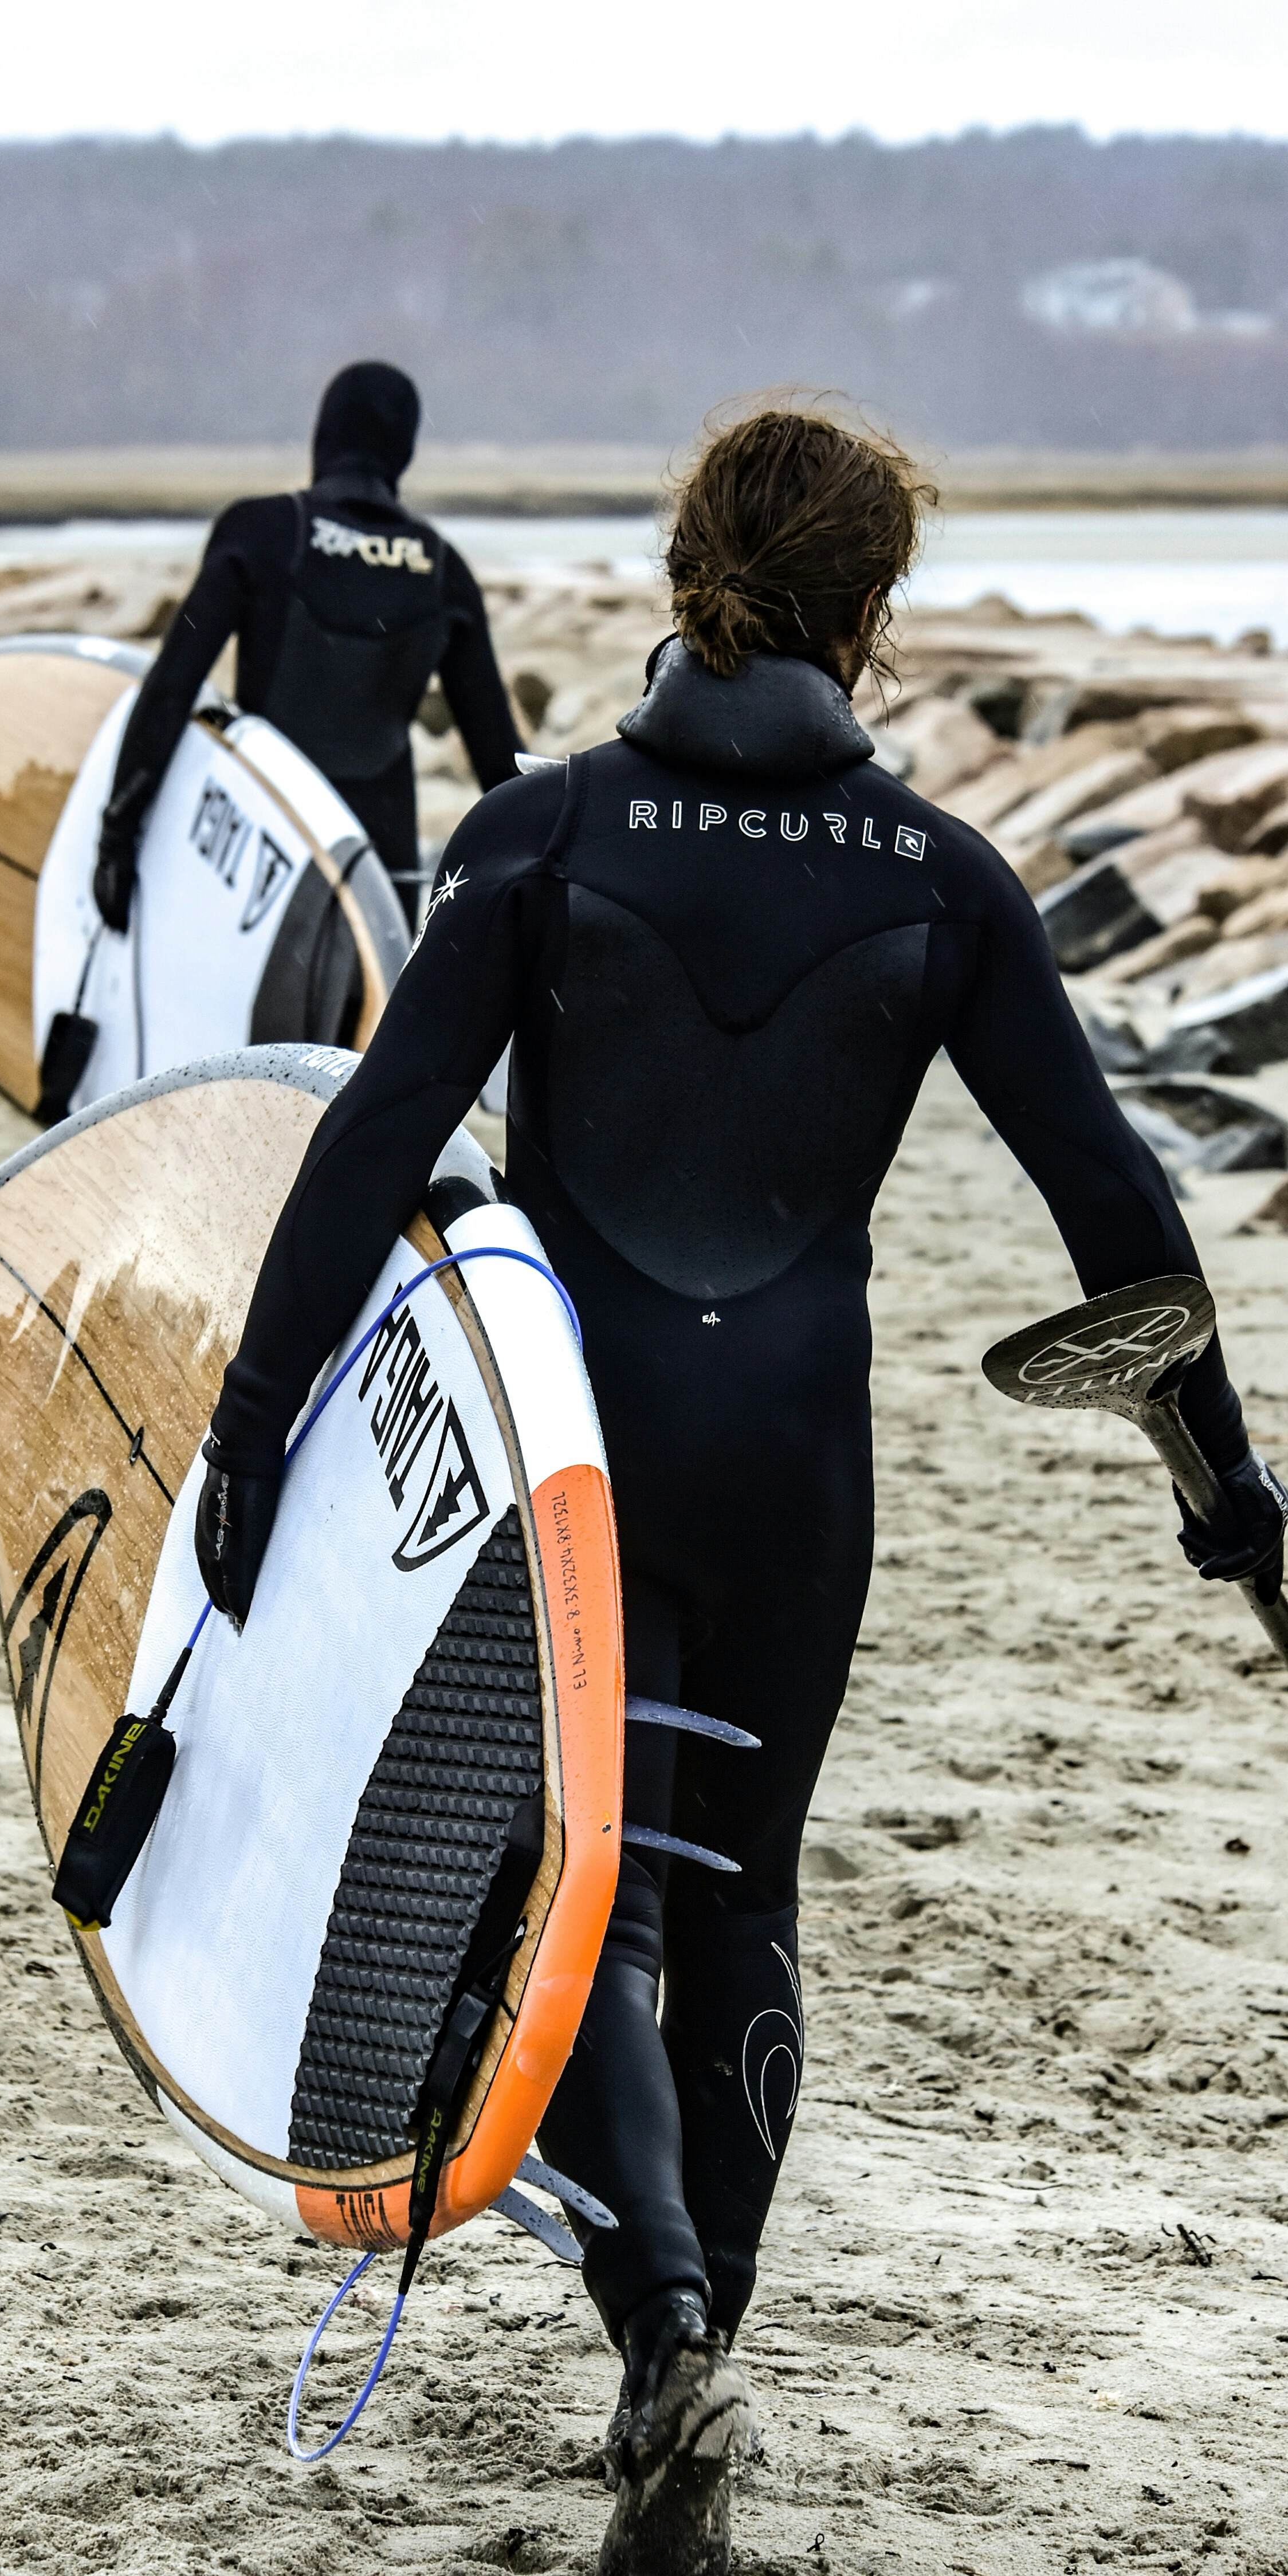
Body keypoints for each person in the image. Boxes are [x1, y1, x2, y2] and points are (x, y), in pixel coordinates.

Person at [188, 406, 1285, 2574]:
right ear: (869, 610)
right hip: (796, 1458)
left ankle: (667, 2327)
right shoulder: (943, 882)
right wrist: (1225, 1496)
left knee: (571, 1879)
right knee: (735, 1885)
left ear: (685, 561)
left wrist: (249, 1426)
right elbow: (1110, 1201)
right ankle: (674, 2372)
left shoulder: (540, 831)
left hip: (579, 1450)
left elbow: (371, 1140)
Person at [93, 359, 521, 930]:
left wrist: (118, 833)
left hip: (260, 854)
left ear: (324, 435)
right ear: (405, 452)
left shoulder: (261, 532)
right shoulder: (443, 570)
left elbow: (173, 686)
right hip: (381, 877)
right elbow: (501, 766)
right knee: (368, 1021)